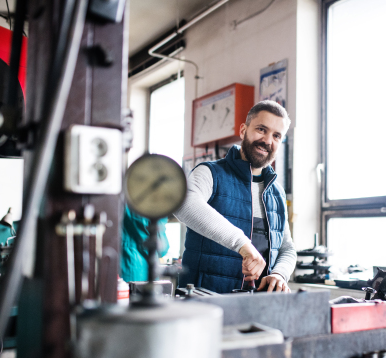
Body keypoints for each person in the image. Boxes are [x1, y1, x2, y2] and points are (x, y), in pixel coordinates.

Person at [175, 100, 296, 293]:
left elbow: (287, 249)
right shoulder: (209, 173)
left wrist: (280, 274)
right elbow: (184, 204)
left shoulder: (276, 193)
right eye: (261, 129)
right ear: (243, 130)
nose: (267, 140)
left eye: (276, 136)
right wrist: (242, 244)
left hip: (255, 305)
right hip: (203, 303)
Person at [120, 205, 169, 282]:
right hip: (139, 270)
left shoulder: (122, 200)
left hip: (118, 265)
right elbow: (161, 249)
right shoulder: (152, 209)